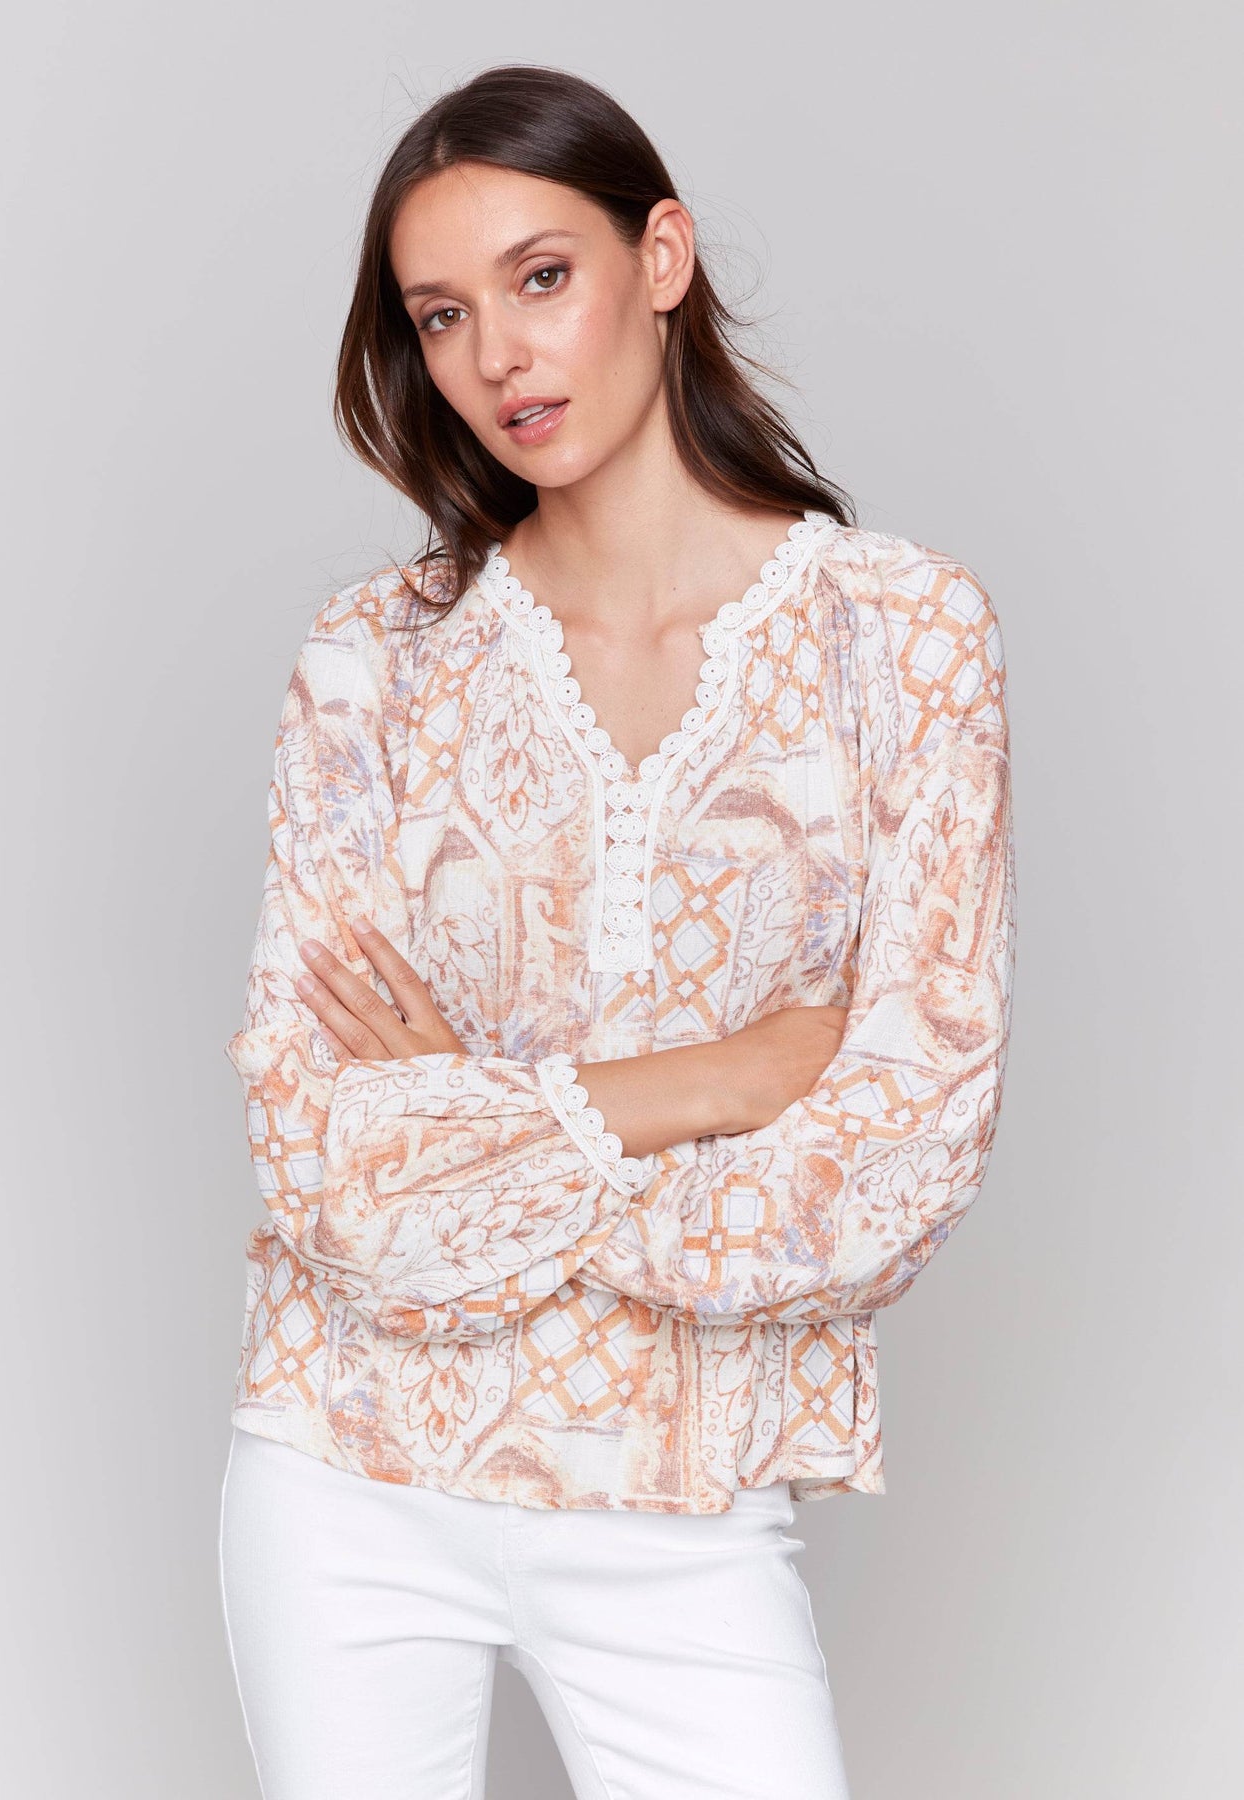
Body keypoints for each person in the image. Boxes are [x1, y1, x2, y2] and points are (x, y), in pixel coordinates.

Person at [216, 61, 1016, 1800]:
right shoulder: (373, 664)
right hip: (349, 1472)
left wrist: (476, 1129)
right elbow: (328, 1168)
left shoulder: (901, 638)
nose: (497, 356)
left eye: (541, 276)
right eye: (441, 314)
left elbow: (895, 1164)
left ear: (660, 257)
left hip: (677, 1498)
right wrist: (711, 1084)